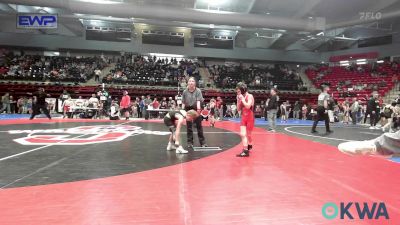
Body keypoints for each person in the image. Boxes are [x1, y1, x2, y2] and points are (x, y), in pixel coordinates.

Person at [182, 77, 206, 149]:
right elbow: (183, 102)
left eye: (193, 81)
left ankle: (202, 143)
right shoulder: (185, 92)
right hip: (188, 109)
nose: (191, 82)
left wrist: (198, 110)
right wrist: (182, 111)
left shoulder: (198, 91)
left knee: (199, 126)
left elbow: (199, 101)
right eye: (190, 81)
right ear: (188, 83)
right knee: (189, 127)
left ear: (195, 83)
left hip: (196, 108)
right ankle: (190, 142)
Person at [236, 82, 255, 157]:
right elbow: (238, 109)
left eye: (239, 91)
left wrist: (242, 99)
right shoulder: (240, 97)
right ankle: (245, 150)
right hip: (243, 117)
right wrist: (238, 100)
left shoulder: (250, 96)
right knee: (243, 134)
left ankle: (250, 144)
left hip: (250, 117)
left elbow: (248, 106)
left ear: (243, 90)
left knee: (249, 135)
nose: (237, 92)